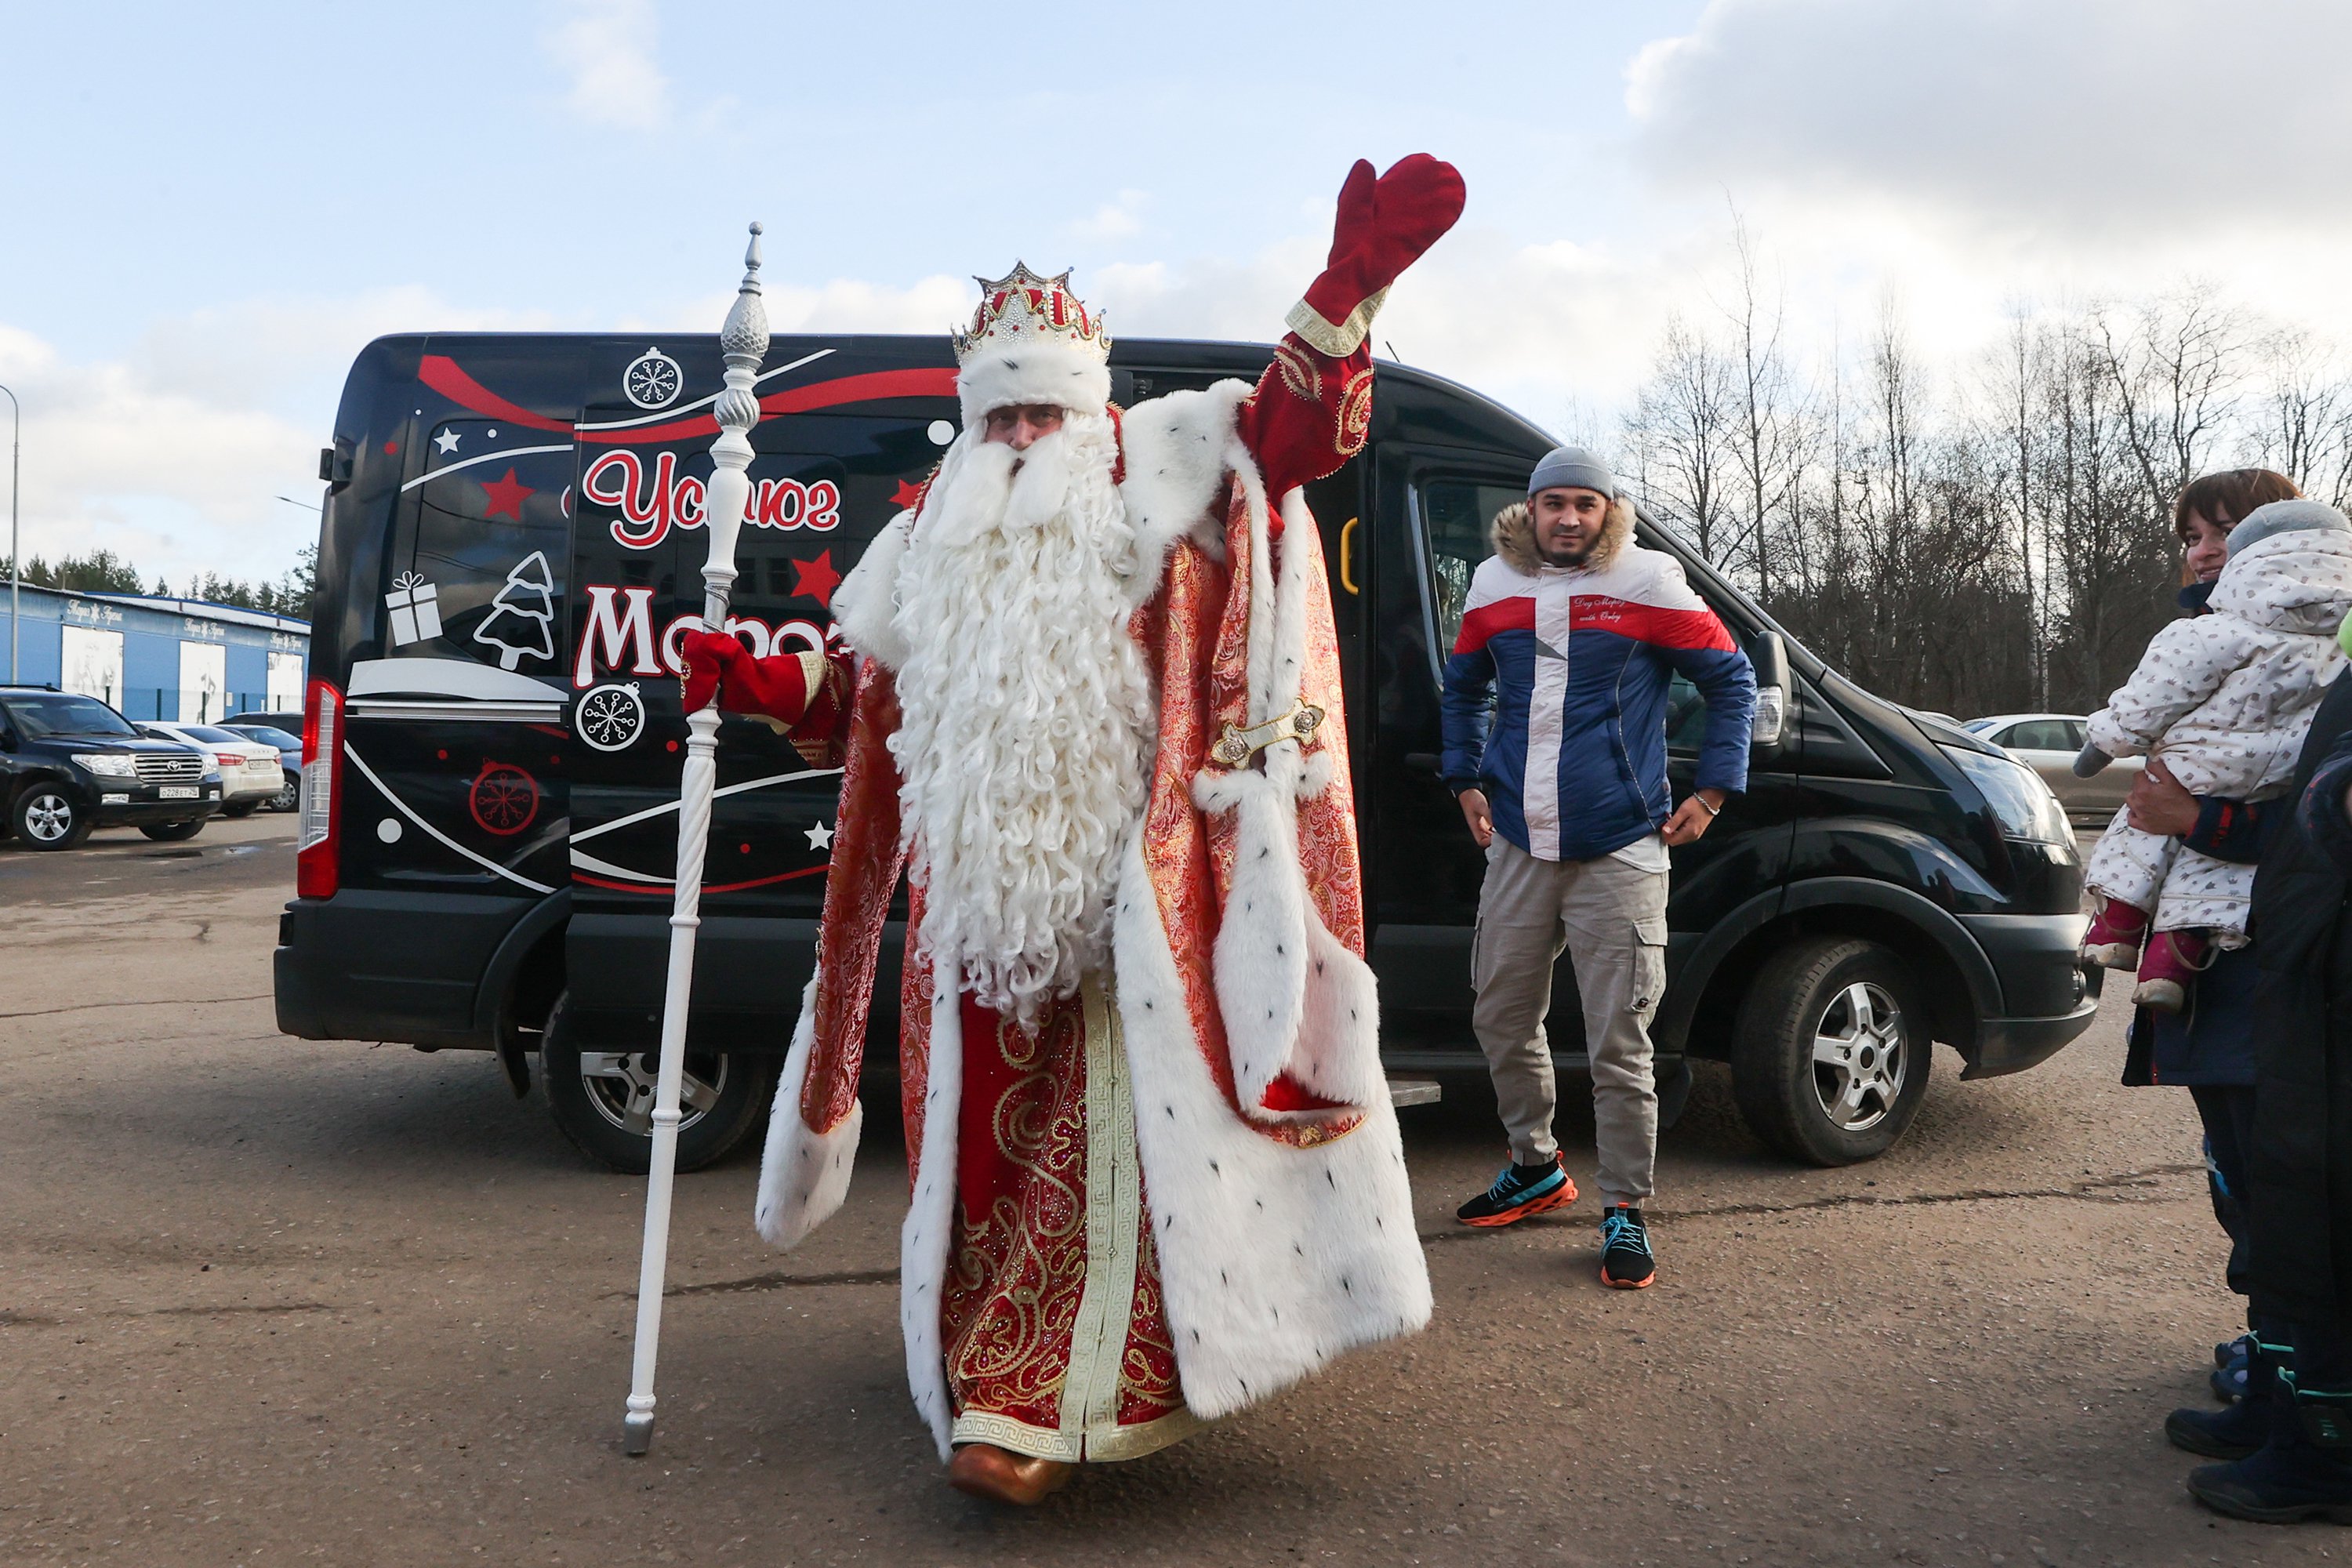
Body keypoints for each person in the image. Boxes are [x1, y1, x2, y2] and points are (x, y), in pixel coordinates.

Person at [677, 155, 1465, 1505]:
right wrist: (762, 682)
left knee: (1108, 1147)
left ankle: (1050, 1407)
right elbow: (865, 699)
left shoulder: (1157, 480)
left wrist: (1345, 297)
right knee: (982, 1159)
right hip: (974, 923)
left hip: (1130, 905)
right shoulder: (928, 541)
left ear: (1089, 409)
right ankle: (995, 1367)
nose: (1023, 436)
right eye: (1003, 415)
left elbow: (1288, 443)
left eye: (1045, 409)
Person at [1438, 449, 1755, 1288]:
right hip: (1518, 841)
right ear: (1531, 509)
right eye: (1555, 503)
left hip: (1620, 843)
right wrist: (1464, 777)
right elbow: (1463, 688)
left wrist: (1714, 791)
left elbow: (1732, 679)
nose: (1569, 518)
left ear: (1609, 510)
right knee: (1500, 1015)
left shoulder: (1648, 579)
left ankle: (1624, 1207)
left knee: (1619, 1040)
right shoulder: (1491, 583)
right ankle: (1535, 1164)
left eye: (1585, 503)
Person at [2181, 635, 2352, 1523]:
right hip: (2306, 973)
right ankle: (2288, 1409)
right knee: (2288, 1205)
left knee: (2326, 1217)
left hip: (2330, 981)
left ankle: (2327, 1451)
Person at [2075, 498, 2352, 1009]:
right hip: (2264, 797)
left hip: (2275, 965)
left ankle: (2117, 928)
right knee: (2212, 884)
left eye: (2223, 532)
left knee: (2136, 837)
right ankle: (2164, 968)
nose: (2203, 551)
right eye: (2190, 537)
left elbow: (2144, 705)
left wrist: (2104, 746)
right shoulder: (2336, 646)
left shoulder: (2210, 632)